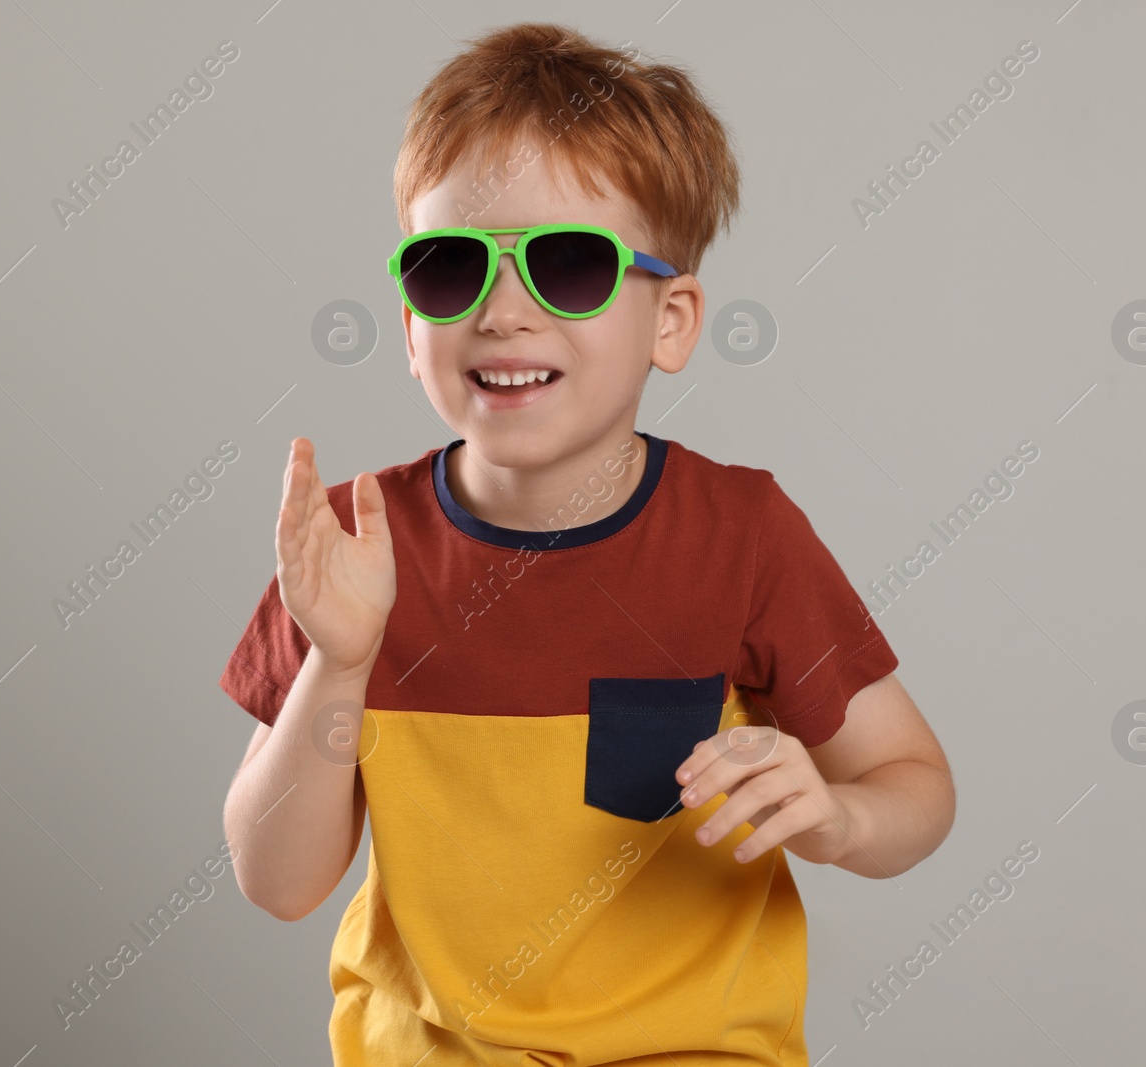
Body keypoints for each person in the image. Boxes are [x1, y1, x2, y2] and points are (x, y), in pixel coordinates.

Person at [218, 22, 954, 1065]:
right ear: (407, 322)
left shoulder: (741, 535)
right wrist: (339, 659)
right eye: (451, 266)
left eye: (568, 264)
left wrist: (836, 815)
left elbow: (916, 783)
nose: (503, 310)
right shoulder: (352, 543)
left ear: (673, 319)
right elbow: (277, 880)